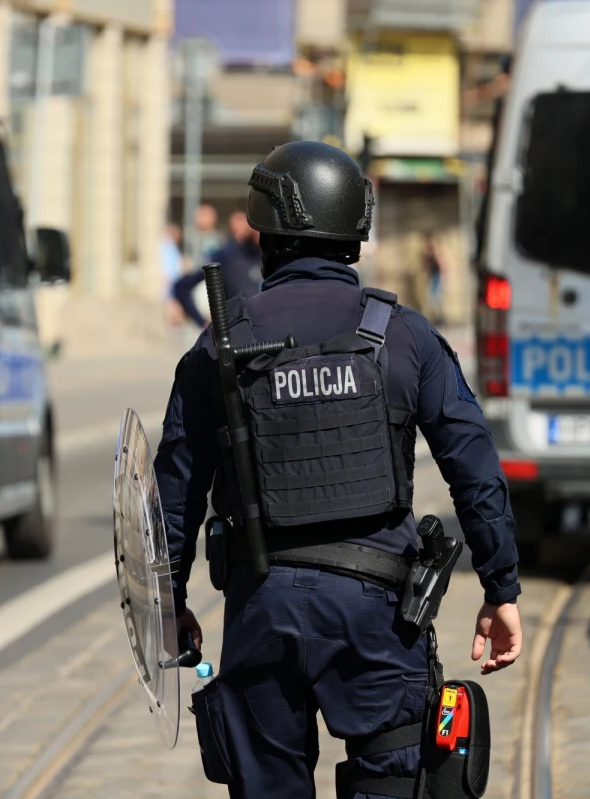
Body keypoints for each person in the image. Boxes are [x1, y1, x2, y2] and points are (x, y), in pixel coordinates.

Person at [154, 141, 522, 798]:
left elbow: (174, 490)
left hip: (262, 609)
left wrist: (168, 601)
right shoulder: (404, 334)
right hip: (378, 617)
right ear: (356, 228)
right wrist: (501, 588)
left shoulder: (221, 343)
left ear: (263, 231)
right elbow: (473, 465)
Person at [173, 210, 264, 327]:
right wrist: (202, 322)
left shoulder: (268, 256)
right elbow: (182, 286)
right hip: (238, 333)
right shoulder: (227, 256)